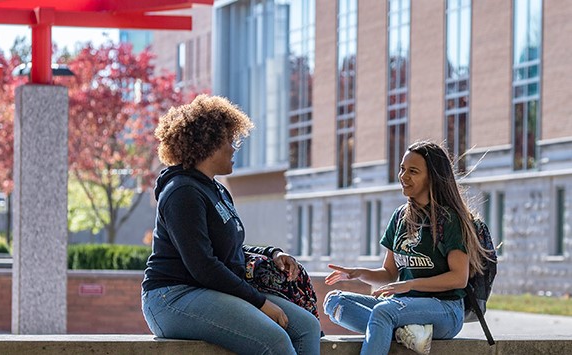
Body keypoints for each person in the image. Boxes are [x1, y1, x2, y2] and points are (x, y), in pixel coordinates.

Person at [141, 94, 321, 355]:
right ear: (208, 144)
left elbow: (227, 248)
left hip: (209, 290)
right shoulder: (182, 192)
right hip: (172, 297)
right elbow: (203, 265)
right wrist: (259, 302)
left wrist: (273, 253)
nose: (234, 148)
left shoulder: (216, 190)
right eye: (229, 140)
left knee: (306, 326)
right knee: (275, 341)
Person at [322, 140, 490, 355]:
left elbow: (459, 278)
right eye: (402, 169)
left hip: (445, 310)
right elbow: (390, 273)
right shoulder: (400, 217)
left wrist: (409, 285)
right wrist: (359, 274)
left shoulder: (449, 220)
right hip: (404, 307)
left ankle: (397, 328)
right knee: (335, 302)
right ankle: (406, 333)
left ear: (432, 177)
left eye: (413, 171)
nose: (403, 176)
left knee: (384, 312)